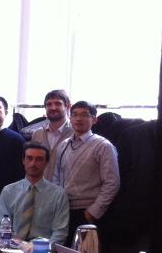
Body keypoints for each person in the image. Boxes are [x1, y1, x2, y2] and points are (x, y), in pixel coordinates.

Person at [47, 101, 120, 242]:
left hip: (87, 212)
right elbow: (56, 177)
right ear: (70, 118)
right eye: (74, 115)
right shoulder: (63, 145)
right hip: (64, 210)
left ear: (94, 120)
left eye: (84, 115)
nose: (78, 119)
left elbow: (112, 183)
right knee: (61, 252)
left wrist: (93, 212)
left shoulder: (103, 146)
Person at [0, 143, 69, 244]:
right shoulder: (8, 191)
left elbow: (60, 233)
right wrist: (15, 246)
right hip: (13, 248)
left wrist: (40, 248)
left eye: (39, 159)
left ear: (46, 163)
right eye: (29, 158)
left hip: (43, 249)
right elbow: (1, 227)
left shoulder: (59, 194)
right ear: (23, 160)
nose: (33, 163)